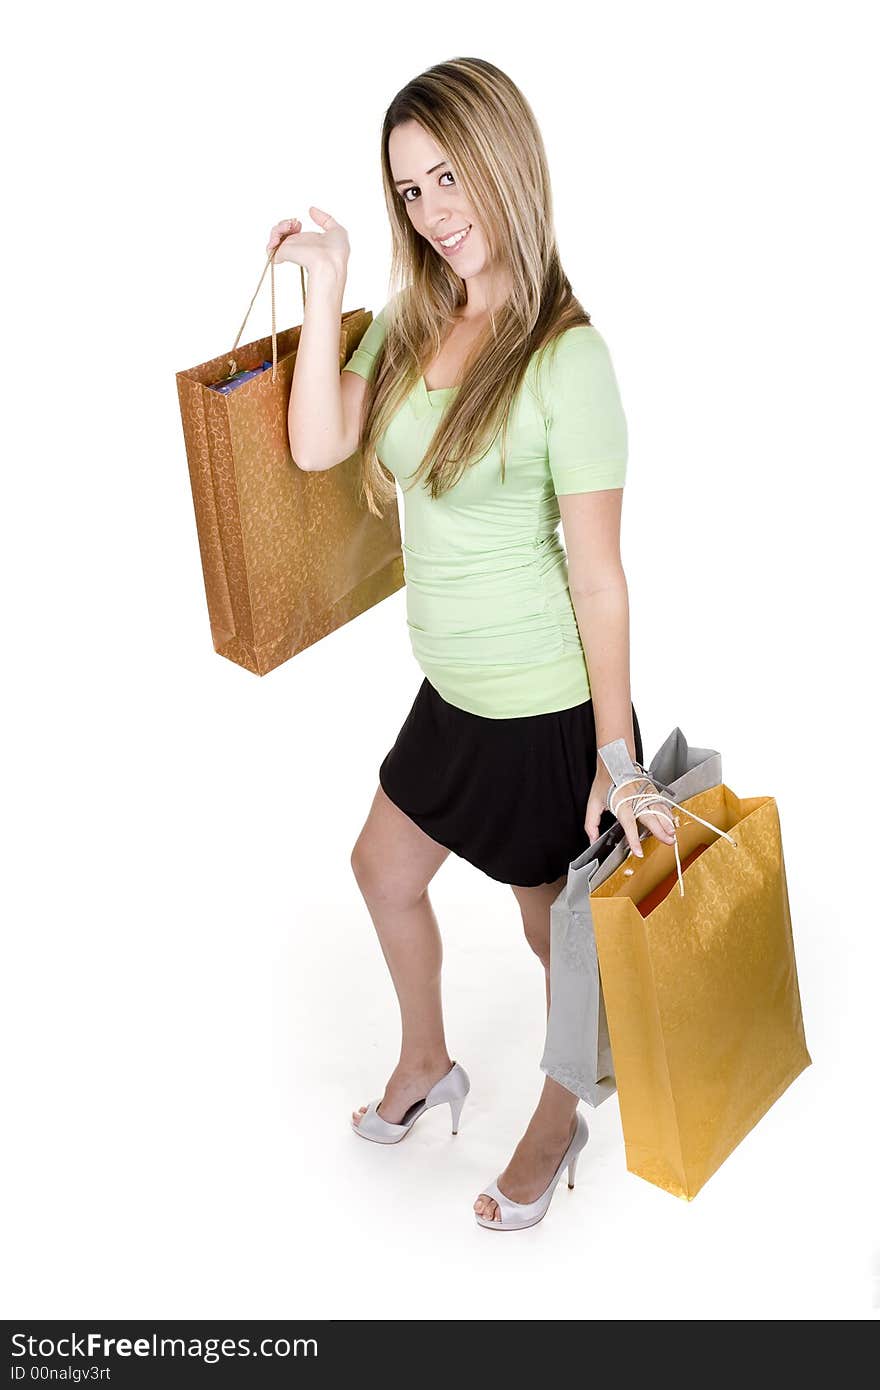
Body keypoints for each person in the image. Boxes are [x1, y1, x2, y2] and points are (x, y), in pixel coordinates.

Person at [267, 55, 675, 1232]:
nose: (436, 213)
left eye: (451, 177)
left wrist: (618, 754)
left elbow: (599, 578)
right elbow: (313, 445)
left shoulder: (567, 358)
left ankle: (561, 1111)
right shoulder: (410, 318)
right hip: (454, 692)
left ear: (505, 162)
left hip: (549, 708)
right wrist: (330, 279)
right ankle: (427, 1061)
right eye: (409, 192)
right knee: (382, 870)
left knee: (555, 938)